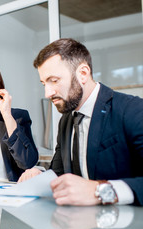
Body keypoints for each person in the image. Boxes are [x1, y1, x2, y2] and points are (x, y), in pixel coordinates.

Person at [18, 38, 143, 206]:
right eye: (44, 83)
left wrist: (99, 191)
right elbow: (59, 173)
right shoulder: (66, 121)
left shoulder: (132, 109)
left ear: (83, 73)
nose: (48, 93)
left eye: (54, 80)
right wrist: (39, 175)